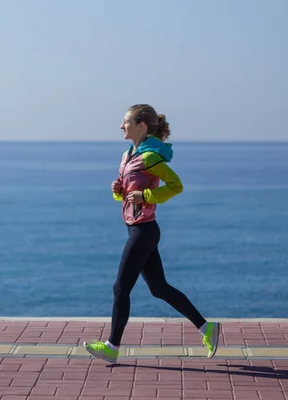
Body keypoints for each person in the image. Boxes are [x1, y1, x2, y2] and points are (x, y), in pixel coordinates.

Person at [83, 104, 219, 363]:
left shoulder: (149, 158)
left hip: (144, 231)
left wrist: (146, 195)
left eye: (126, 122)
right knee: (158, 288)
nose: (121, 126)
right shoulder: (127, 155)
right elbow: (124, 193)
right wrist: (118, 189)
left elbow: (175, 185)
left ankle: (112, 346)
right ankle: (206, 328)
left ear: (141, 126)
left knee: (120, 288)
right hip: (134, 227)